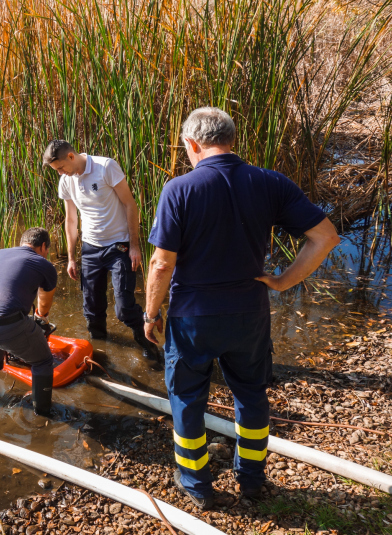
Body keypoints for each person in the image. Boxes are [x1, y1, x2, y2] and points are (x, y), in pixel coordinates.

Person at [143, 107, 340, 509]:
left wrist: (150, 313)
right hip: (249, 313)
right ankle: (250, 478)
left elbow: (162, 263)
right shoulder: (270, 182)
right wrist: (284, 280)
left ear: (192, 143)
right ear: (231, 140)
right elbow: (325, 237)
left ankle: (196, 484)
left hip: (193, 316)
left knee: (187, 398)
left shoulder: (178, 189)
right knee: (251, 395)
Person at [43, 140, 162, 363]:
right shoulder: (66, 181)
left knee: (124, 309)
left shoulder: (105, 167)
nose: (60, 173)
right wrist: (71, 257)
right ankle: (99, 355)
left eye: (60, 168)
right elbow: (70, 220)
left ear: (71, 156)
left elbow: (130, 204)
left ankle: (149, 344)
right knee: (92, 309)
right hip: (90, 248)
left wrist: (134, 245)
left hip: (119, 246)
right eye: (56, 171)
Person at [0, 227, 58, 416]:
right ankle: (43, 415)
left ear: (22, 243)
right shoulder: (43, 264)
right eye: (46, 250)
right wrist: (40, 318)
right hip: (6, 325)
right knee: (43, 361)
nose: (46, 254)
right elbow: (44, 304)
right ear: (42, 246)